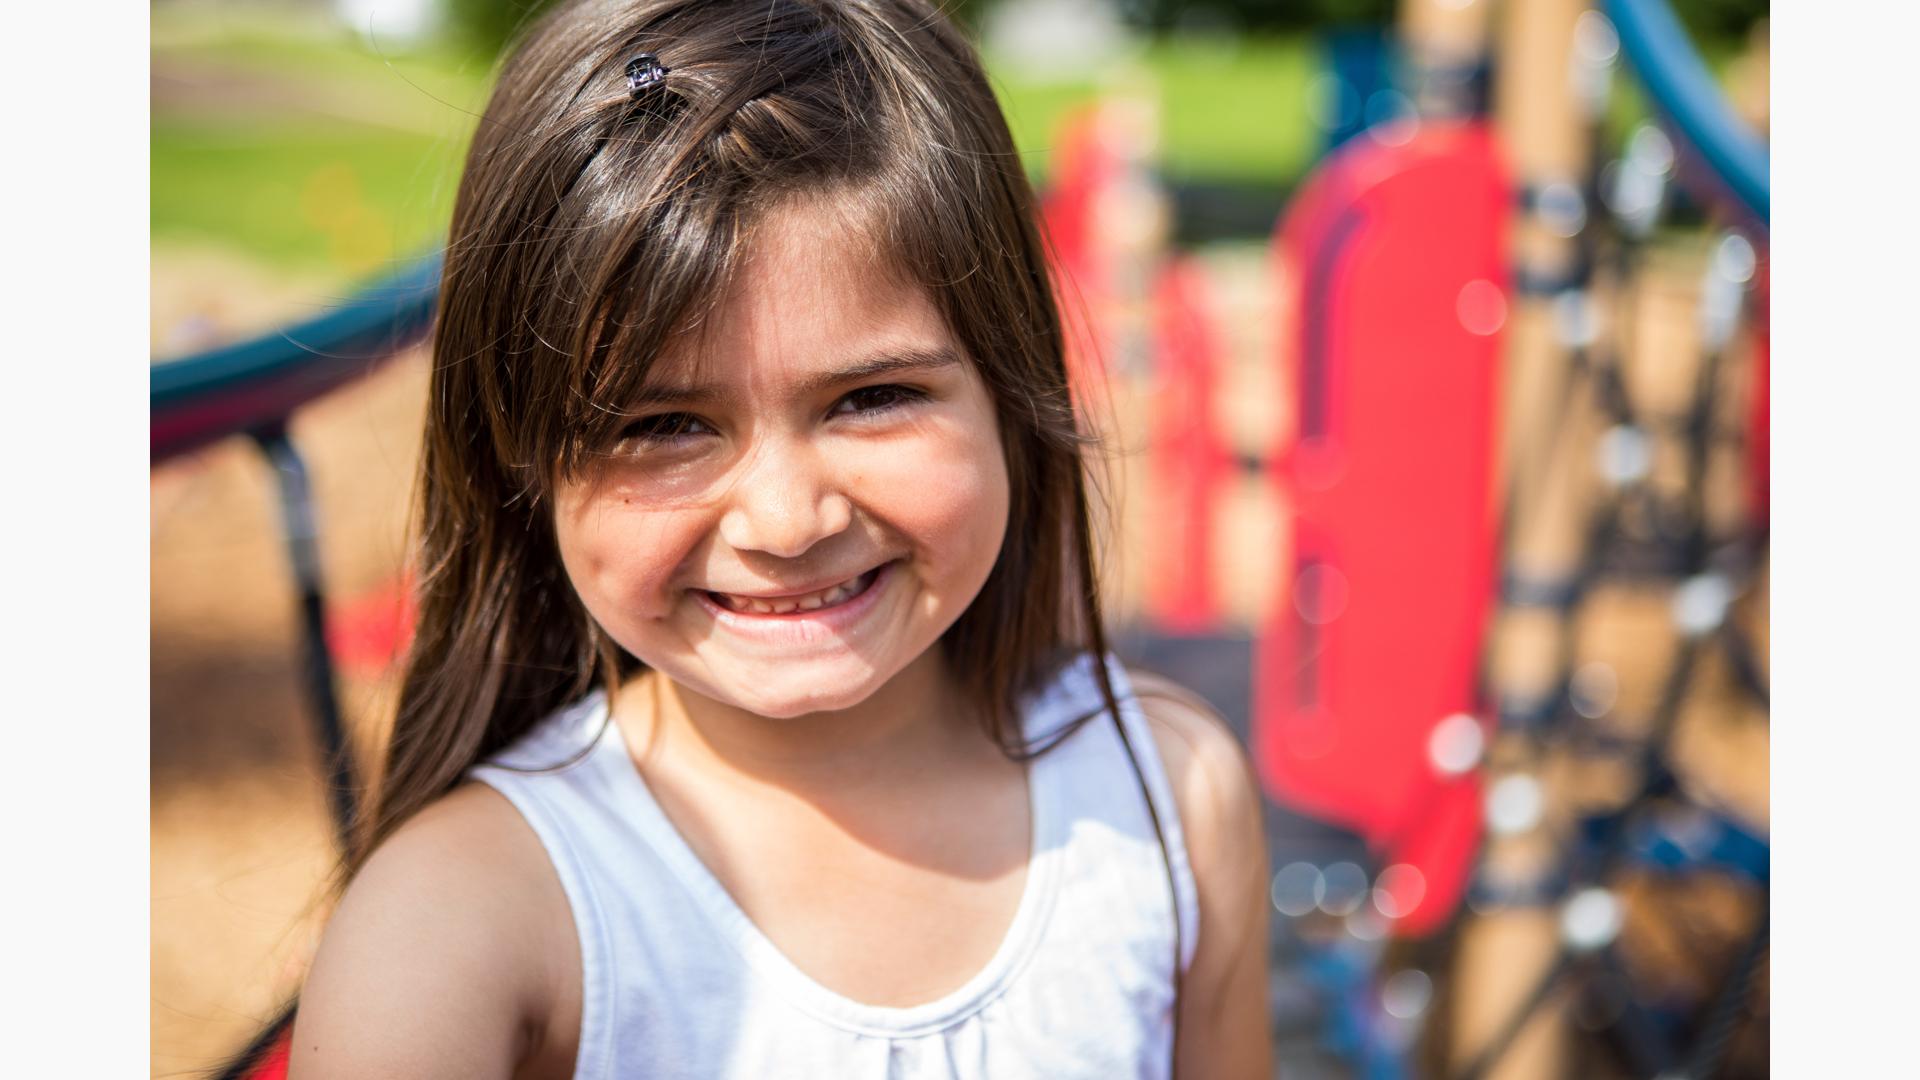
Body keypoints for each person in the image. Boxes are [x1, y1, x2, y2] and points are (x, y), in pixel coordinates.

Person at [290, 0, 1270, 1076]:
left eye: (873, 397)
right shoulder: (461, 924)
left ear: (1011, 387)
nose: (789, 520)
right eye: (662, 427)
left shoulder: (1167, 798)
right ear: (518, 457)